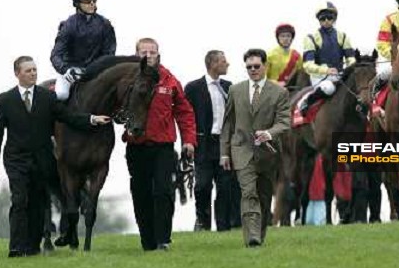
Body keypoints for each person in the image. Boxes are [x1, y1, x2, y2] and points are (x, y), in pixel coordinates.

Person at [0, 56, 111, 257]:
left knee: (38, 201)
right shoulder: (5, 100)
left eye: (35, 70)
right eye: (28, 71)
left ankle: (33, 246)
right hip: (16, 159)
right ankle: (16, 247)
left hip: (42, 159)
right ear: (17, 73)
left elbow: (68, 117)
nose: (33, 73)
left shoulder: (47, 97)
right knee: (20, 200)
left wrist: (92, 119)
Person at [123, 38, 197, 250]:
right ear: (136, 54)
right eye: (144, 52)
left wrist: (189, 141)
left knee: (164, 192)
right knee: (141, 193)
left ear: (159, 54)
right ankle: (148, 242)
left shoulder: (169, 80)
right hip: (136, 146)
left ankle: (163, 239)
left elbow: (185, 112)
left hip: (163, 147)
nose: (148, 55)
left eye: (152, 52)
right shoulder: (127, 80)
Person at [220, 49, 291, 247]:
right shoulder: (235, 90)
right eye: (249, 67)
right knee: (248, 192)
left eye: (256, 66)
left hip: (268, 153)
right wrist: (224, 153)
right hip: (241, 150)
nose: (252, 70)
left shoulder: (280, 92)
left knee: (264, 194)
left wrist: (270, 133)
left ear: (265, 66)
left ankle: (259, 234)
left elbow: (284, 122)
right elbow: (228, 124)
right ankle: (252, 236)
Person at [185, 50, 240, 231]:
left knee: (225, 187)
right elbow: (187, 118)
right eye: (224, 61)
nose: (227, 64)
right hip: (203, 144)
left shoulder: (229, 87)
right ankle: (202, 221)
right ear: (213, 64)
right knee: (202, 185)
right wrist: (188, 142)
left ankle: (223, 226)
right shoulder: (193, 88)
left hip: (224, 144)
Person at [50, 0, 117, 101]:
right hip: (70, 70)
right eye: (87, 0)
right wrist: (65, 69)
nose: (92, 3)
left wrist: (98, 68)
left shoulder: (105, 24)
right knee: (61, 95)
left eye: (94, 0)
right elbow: (56, 55)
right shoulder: (68, 25)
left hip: (95, 70)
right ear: (77, 3)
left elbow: (109, 52)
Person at [299, 2, 356, 115]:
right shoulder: (311, 38)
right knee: (329, 88)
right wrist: (326, 70)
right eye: (322, 18)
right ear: (319, 20)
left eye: (329, 17)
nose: (326, 21)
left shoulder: (343, 36)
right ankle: (307, 101)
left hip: (339, 75)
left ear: (334, 18)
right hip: (320, 78)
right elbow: (307, 65)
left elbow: (351, 58)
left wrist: (351, 67)